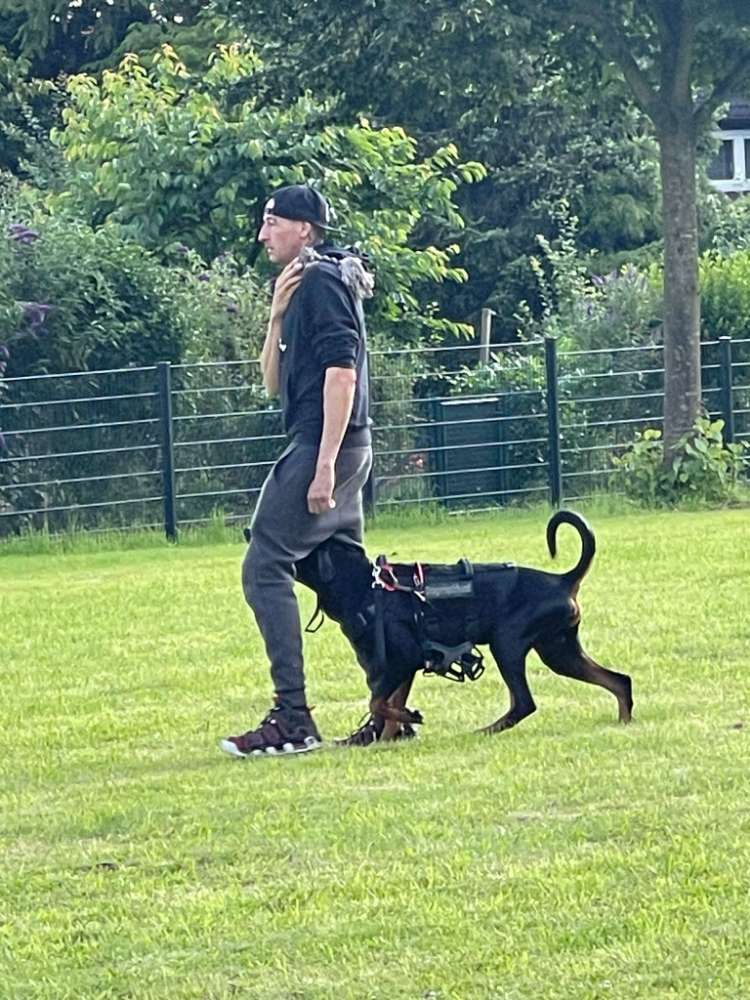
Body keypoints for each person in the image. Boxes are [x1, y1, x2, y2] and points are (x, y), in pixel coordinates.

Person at [221, 184, 373, 758]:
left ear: (304, 228)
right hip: (341, 444)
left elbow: (342, 374)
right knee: (343, 578)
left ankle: (293, 717)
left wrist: (324, 465)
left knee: (264, 565)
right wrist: (276, 316)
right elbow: (272, 384)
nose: (263, 234)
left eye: (273, 222)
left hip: (324, 445)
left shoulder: (323, 283)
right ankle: (390, 703)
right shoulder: (304, 285)